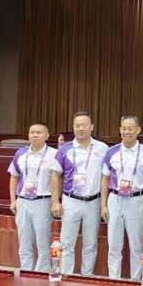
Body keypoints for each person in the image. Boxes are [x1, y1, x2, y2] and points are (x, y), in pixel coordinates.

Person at [50, 111, 108, 276]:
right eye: (77, 125)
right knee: (67, 242)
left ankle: (86, 276)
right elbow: (55, 175)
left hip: (93, 202)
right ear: (73, 127)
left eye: (84, 125)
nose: (81, 128)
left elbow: (107, 176)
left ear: (92, 127)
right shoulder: (64, 150)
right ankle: (65, 275)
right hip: (71, 200)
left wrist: (103, 204)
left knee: (90, 243)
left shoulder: (103, 148)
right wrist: (55, 201)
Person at [101, 116, 143, 280]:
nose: (126, 132)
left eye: (130, 129)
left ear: (138, 130)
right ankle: (114, 279)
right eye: (123, 128)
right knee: (114, 245)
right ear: (120, 130)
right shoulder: (111, 151)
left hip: (136, 200)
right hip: (115, 199)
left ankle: (136, 281)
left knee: (136, 246)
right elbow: (105, 179)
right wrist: (103, 205)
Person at [8, 123, 58, 272]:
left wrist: (55, 202)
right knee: (24, 242)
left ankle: (41, 273)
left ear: (47, 136)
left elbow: (58, 179)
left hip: (43, 201)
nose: (35, 135)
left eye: (39, 132)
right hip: (23, 201)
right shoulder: (20, 153)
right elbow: (14, 177)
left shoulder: (54, 154)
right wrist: (13, 200)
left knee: (43, 242)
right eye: (32, 132)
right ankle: (26, 270)